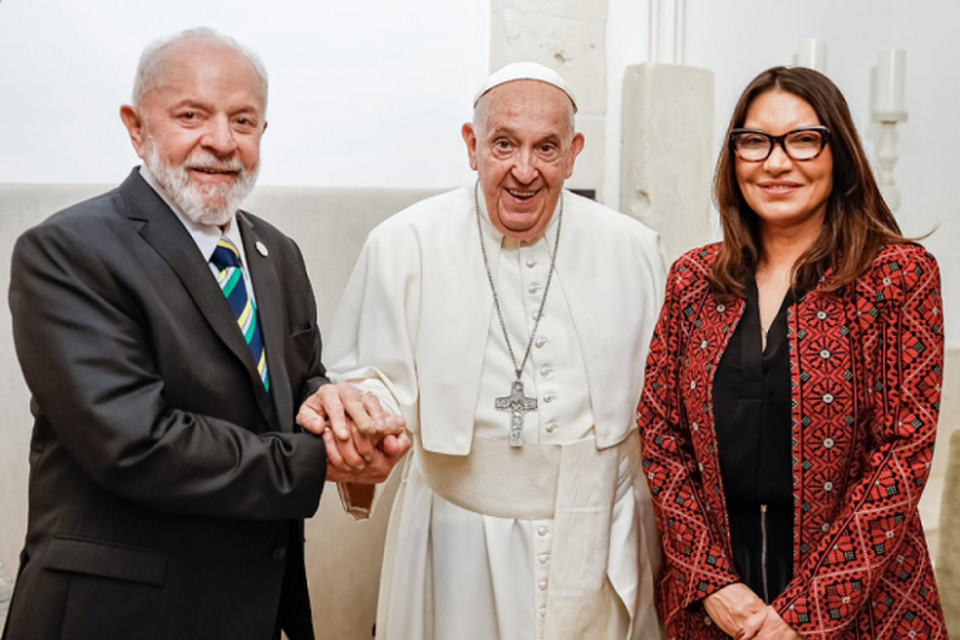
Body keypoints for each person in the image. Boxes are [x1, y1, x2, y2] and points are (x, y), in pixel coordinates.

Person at [2, 28, 407, 640]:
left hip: (257, 609)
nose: (221, 141)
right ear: (136, 126)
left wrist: (335, 412)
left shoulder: (278, 254)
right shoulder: (67, 252)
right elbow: (135, 444)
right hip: (120, 617)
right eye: (192, 115)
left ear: (263, 134)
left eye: (243, 120)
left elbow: (295, 382)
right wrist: (318, 458)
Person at [315, 62, 665, 640]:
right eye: (504, 144)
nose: (524, 171)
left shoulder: (633, 249)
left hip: (597, 535)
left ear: (574, 153)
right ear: (472, 145)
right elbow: (371, 377)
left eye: (546, 148)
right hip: (457, 542)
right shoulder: (405, 243)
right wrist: (367, 416)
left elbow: (666, 407)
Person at [638, 65, 947, 639]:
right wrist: (711, 584)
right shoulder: (693, 279)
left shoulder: (897, 276)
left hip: (864, 607)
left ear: (840, 153)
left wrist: (804, 613)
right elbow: (659, 434)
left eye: (804, 140)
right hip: (717, 611)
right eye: (754, 142)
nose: (776, 163)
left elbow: (903, 453)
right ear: (734, 158)